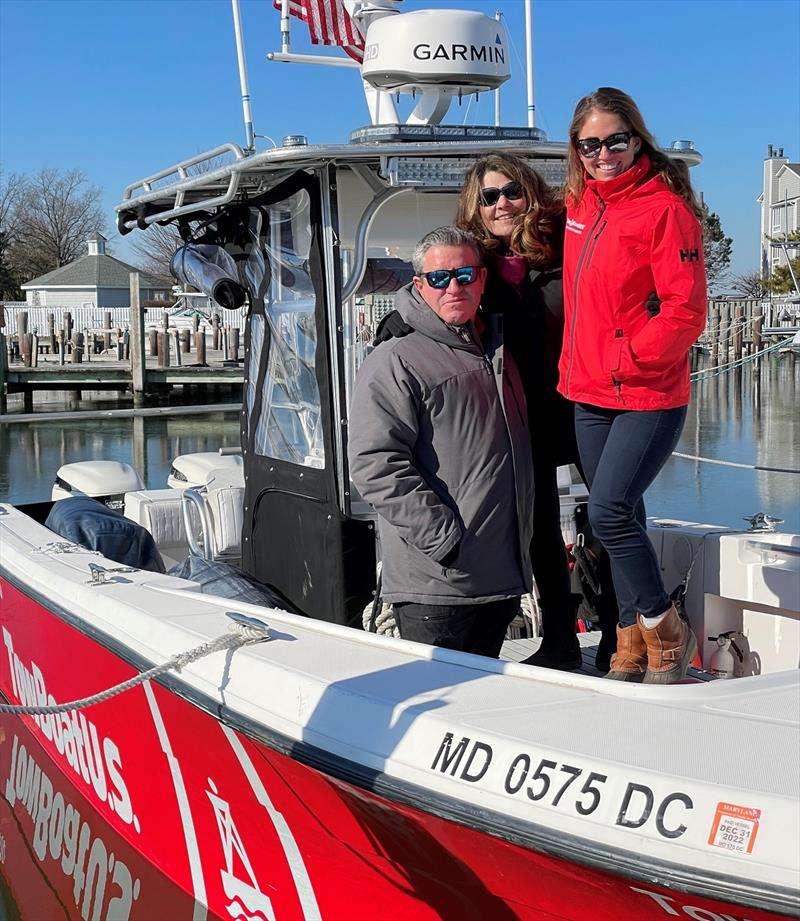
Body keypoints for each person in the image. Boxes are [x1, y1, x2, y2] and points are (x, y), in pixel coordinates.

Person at [560, 87, 707, 683]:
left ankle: (664, 627)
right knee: (618, 521)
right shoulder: (581, 204)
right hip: (588, 394)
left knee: (610, 510)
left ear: (637, 139)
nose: (602, 154)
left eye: (614, 141)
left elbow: (685, 310)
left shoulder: (665, 210)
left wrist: (628, 357)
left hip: (646, 393)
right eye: (589, 144)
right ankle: (629, 643)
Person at [455, 152, 620, 672]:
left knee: (609, 518)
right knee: (539, 528)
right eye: (489, 197)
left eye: (511, 192)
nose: (502, 203)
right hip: (523, 411)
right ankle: (560, 640)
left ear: (529, 193)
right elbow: (433, 293)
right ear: (476, 209)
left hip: (589, 404)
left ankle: (621, 632)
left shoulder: (568, 247)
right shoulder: (476, 269)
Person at [348, 226, 534, 657]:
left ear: (482, 280)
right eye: (439, 278)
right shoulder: (394, 360)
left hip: (498, 580)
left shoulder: (496, 351)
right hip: (436, 587)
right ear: (419, 285)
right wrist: (445, 542)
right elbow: (374, 465)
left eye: (465, 275)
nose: (453, 287)